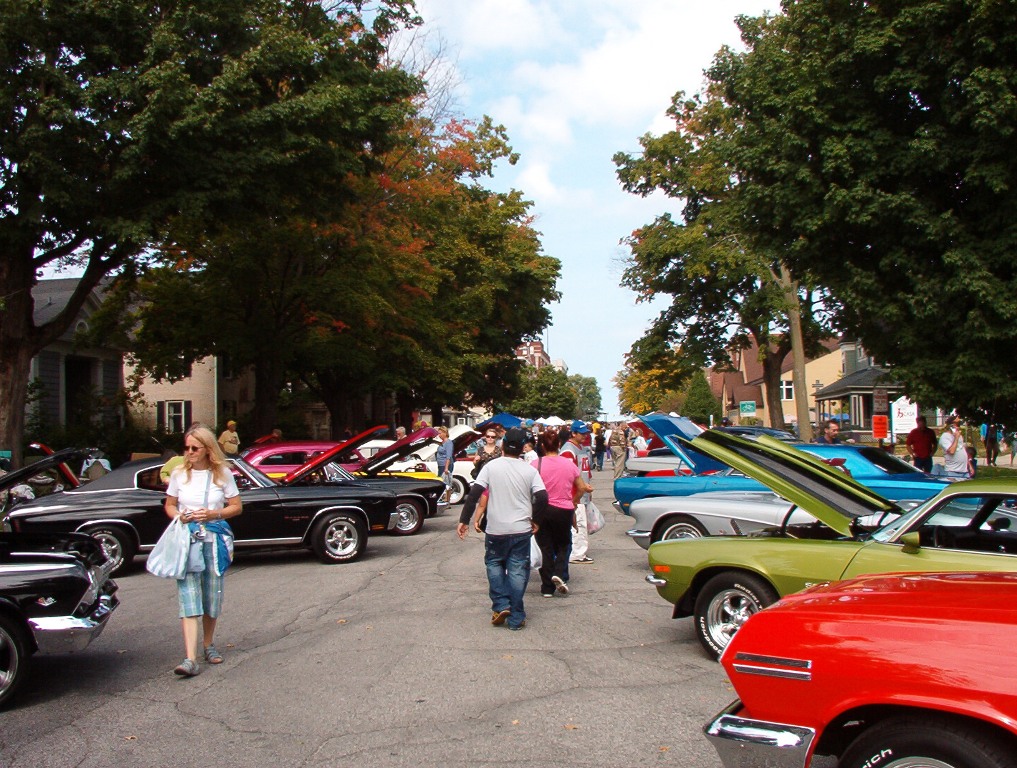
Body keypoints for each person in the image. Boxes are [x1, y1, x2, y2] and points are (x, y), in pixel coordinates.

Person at [164, 425, 242, 677]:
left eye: (194, 448)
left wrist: (213, 513)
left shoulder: (222, 474)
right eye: (186, 448)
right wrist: (179, 517)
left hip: (214, 539)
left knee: (211, 594)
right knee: (188, 596)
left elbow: (236, 506)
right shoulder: (178, 474)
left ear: (208, 449)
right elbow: (170, 504)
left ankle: (208, 644)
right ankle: (190, 658)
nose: (188, 453)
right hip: (187, 541)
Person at [456, 427, 548, 631]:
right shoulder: (530, 470)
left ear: (503, 445)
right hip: (520, 529)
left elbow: (475, 494)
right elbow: (542, 497)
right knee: (517, 569)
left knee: (494, 564)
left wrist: (464, 520)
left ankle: (501, 604)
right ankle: (516, 615)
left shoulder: (491, 467)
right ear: (522, 448)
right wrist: (537, 520)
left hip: (496, 529)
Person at [531, 429, 585, 598]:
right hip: (564, 508)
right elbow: (582, 487)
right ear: (559, 445)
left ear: (541, 446)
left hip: (542, 510)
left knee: (545, 547)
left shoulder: (535, 464)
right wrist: (574, 500)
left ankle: (547, 587)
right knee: (563, 544)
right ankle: (559, 573)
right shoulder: (569, 464)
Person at [561, 421, 595, 565]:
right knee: (578, 523)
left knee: (582, 522)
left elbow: (585, 471)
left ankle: (578, 550)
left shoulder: (580, 448)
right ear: (573, 433)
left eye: (586, 433)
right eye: (582, 433)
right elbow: (568, 474)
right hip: (576, 493)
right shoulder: (568, 450)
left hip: (583, 491)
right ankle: (577, 553)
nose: (585, 436)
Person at [434, 425, 455, 503]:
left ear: (445, 433)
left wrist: (446, 468)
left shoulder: (448, 443)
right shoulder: (441, 442)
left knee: (446, 482)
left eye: (440, 433)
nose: (439, 435)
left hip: (446, 465)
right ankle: (444, 498)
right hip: (440, 464)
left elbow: (448, 456)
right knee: (442, 481)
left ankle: (447, 499)